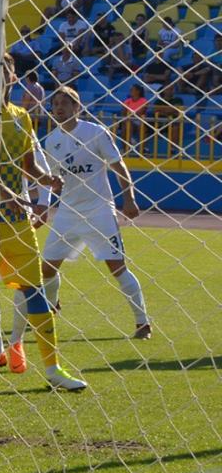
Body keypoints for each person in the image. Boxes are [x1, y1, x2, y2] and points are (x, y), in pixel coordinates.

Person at [0, 54, 86, 391]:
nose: (0, 76)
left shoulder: (22, 117)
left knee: (35, 292)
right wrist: (7, 192)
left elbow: (28, 165)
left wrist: (47, 180)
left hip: (17, 220)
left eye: (5, 71)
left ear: (13, 77)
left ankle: (53, 370)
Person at [40, 85, 150, 340]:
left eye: (65, 103)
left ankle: (142, 322)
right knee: (46, 268)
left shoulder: (96, 133)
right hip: (67, 212)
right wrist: (45, 201)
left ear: (77, 107)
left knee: (117, 267)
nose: (58, 107)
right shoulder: (52, 140)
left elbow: (118, 165)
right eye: (55, 103)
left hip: (99, 210)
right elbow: (51, 178)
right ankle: (53, 306)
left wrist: (129, 198)